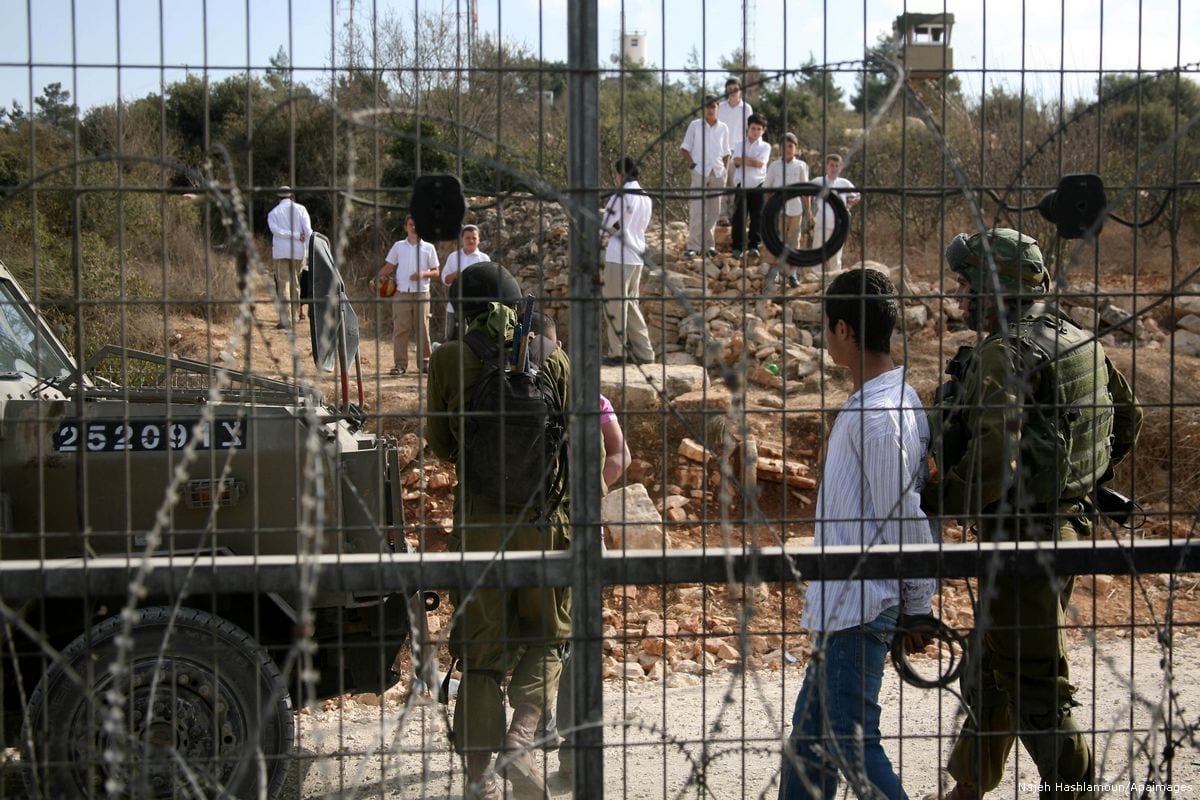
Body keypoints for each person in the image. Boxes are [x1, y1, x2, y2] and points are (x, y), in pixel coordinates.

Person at [924, 229, 1142, 800]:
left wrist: (938, 502)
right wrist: (1078, 485)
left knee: (1035, 684)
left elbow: (994, 456)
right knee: (994, 664)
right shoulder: (1076, 338)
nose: (961, 297)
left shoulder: (1005, 352)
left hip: (1024, 540)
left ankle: (1074, 791)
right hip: (1061, 531)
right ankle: (968, 790)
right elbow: (1129, 417)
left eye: (969, 285)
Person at [779, 268, 935, 800]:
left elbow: (905, 516)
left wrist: (917, 605)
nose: (824, 338)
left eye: (826, 327)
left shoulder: (877, 414)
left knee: (850, 743)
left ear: (844, 330)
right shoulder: (895, 398)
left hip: (858, 605)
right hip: (845, 603)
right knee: (809, 751)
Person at [427, 264, 571, 800]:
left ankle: (479, 782)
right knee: (550, 634)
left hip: (480, 526)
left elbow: (441, 444)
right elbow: (574, 444)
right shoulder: (553, 357)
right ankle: (523, 735)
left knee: (481, 653)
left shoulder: (447, 358)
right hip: (544, 522)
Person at [601, 156, 655, 366]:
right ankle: (645, 352)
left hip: (618, 255)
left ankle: (618, 352)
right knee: (631, 303)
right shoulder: (645, 197)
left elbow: (605, 223)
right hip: (636, 255)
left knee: (615, 305)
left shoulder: (621, 195)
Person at [377, 215, 439, 376]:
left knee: (423, 329)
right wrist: (378, 280)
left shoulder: (429, 248)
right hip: (401, 293)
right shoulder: (398, 246)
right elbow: (389, 267)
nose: (414, 228)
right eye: (411, 225)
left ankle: (425, 364)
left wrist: (423, 274)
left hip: (422, 293)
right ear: (406, 227)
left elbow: (436, 272)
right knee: (400, 329)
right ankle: (400, 365)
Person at [680, 94, 731, 258]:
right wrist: (693, 166)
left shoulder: (724, 128)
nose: (710, 109)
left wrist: (724, 169)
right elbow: (684, 148)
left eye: (713, 106)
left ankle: (709, 246)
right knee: (696, 209)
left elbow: (726, 152)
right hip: (699, 172)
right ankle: (693, 246)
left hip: (717, 172)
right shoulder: (694, 125)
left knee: (714, 210)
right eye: (707, 106)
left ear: (718, 108)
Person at [762, 133, 812, 288]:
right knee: (777, 241)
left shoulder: (801, 166)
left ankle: (792, 274)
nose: (788, 149)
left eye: (791, 146)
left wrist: (808, 211)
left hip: (795, 209)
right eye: (785, 146)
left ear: (796, 148)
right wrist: (767, 209)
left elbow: (805, 190)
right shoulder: (774, 166)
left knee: (793, 242)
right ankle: (775, 272)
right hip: (778, 210)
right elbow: (767, 189)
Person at [266, 185, 312, 329]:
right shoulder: (301, 209)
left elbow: (276, 231)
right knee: (296, 283)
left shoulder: (273, 213)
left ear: (278, 197)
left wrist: (293, 235)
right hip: (298, 251)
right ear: (291, 196)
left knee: (283, 284)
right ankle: (296, 316)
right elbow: (308, 231)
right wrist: (310, 249)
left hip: (281, 252)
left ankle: (286, 320)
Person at [811, 153, 860, 273]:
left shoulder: (844, 183)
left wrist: (848, 206)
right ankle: (815, 280)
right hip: (822, 223)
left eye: (836, 166)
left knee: (836, 257)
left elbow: (858, 195)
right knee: (817, 254)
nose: (834, 168)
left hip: (838, 226)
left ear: (840, 167)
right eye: (831, 165)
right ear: (826, 166)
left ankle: (834, 281)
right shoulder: (818, 181)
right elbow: (804, 192)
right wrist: (808, 211)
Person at [730, 114, 770, 260]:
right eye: (753, 128)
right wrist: (752, 161)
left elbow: (760, 164)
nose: (755, 131)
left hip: (758, 184)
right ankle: (737, 247)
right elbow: (736, 161)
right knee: (739, 217)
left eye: (759, 129)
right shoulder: (740, 144)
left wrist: (745, 160)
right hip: (741, 185)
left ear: (763, 130)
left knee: (757, 217)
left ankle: (754, 246)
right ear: (748, 128)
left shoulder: (766, 146)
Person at [716, 76, 754, 225]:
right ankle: (722, 216)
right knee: (722, 185)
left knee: (735, 184)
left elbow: (749, 130)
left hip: (738, 151)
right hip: (721, 151)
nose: (732, 92)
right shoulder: (721, 107)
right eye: (730, 89)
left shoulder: (747, 108)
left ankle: (734, 216)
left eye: (735, 89)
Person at [441, 224, 489, 342]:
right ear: (462, 239)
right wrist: (455, 275)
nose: (471, 240)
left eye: (474, 238)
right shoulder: (453, 257)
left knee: (472, 341)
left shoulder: (484, 259)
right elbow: (445, 279)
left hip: (476, 309)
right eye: (468, 238)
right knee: (451, 339)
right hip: (454, 307)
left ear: (479, 240)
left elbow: (489, 283)